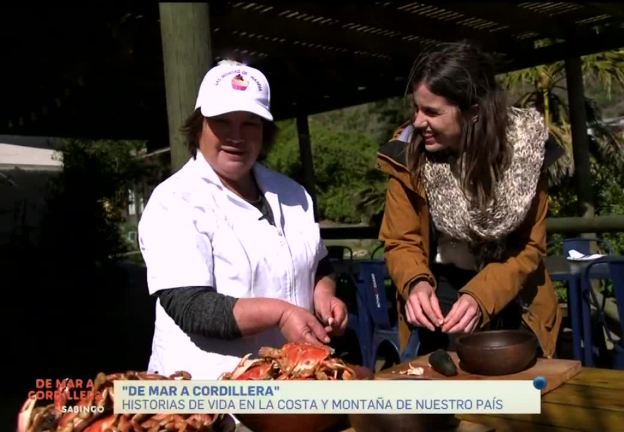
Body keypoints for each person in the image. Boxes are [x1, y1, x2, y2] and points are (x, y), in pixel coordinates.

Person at [138, 60, 347, 380]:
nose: (236, 136)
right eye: (222, 121)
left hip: (290, 377)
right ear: (199, 126)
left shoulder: (292, 193)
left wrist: (324, 293)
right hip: (208, 390)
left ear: (265, 132)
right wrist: (282, 313)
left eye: (250, 123)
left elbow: (319, 263)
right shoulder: (175, 201)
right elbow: (192, 307)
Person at [376, 41, 563, 358]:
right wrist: (415, 283)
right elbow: (400, 240)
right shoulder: (406, 156)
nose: (419, 122)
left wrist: (482, 295)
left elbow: (528, 247)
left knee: (516, 402)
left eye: (432, 112)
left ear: (473, 112)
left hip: (514, 296)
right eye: (416, 109)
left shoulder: (527, 153)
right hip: (440, 293)